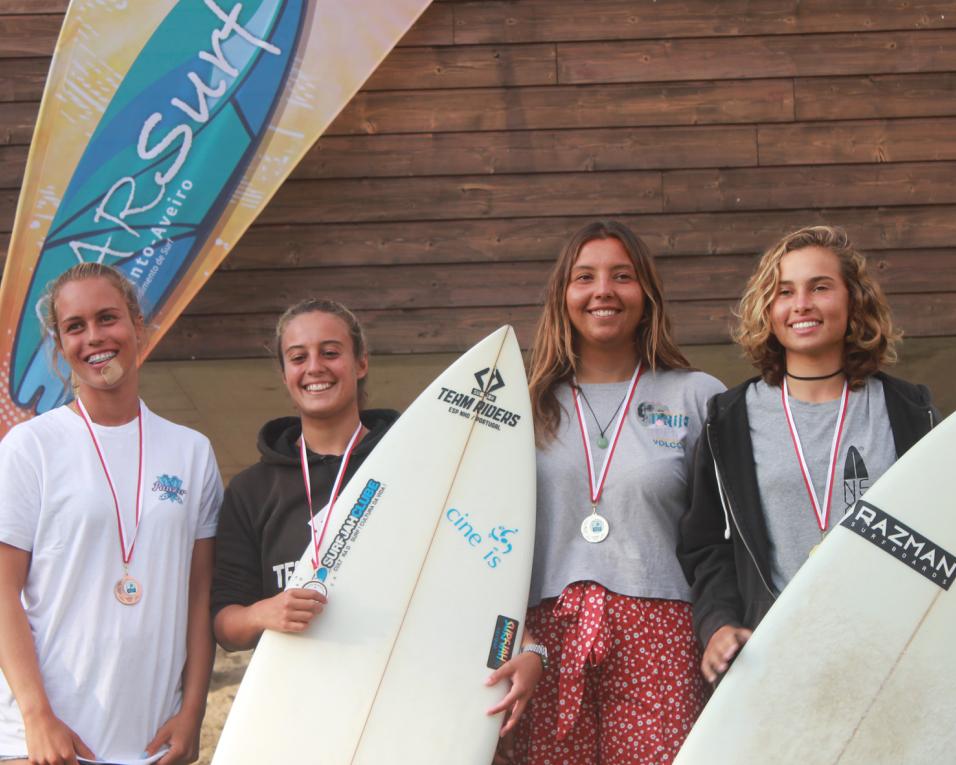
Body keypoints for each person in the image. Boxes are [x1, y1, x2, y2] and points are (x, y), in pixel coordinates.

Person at [487, 221, 724, 764]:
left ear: (647, 295)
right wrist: (509, 646)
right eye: (584, 277)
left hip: (662, 638)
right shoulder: (519, 410)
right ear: (561, 297)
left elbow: (721, 540)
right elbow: (486, 549)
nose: (603, 291)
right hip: (541, 644)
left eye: (622, 276)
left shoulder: (699, 396)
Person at [678, 225, 940, 685]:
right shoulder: (729, 419)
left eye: (820, 287)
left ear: (854, 300)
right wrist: (717, 624)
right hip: (772, 658)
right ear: (769, 309)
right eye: (785, 291)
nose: (801, 304)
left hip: (892, 655)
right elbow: (706, 547)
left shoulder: (910, 411)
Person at [0, 262, 223, 765]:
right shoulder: (30, 447)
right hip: (43, 745)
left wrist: (192, 713)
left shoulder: (192, 452)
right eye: (74, 327)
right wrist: (37, 717)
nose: (94, 337)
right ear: (60, 346)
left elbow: (199, 595)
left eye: (108, 318)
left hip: (150, 745)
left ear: (138, 326)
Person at [211, 299, 399, 651]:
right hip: (299, 698)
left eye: (330, 353)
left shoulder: (409, 465)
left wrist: (529, 646)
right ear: (284, 375)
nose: (314, 367)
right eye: (298, 357)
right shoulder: (251, 490)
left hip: (400, 685)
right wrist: (259, 614)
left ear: (361, 363)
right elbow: (225, 625)